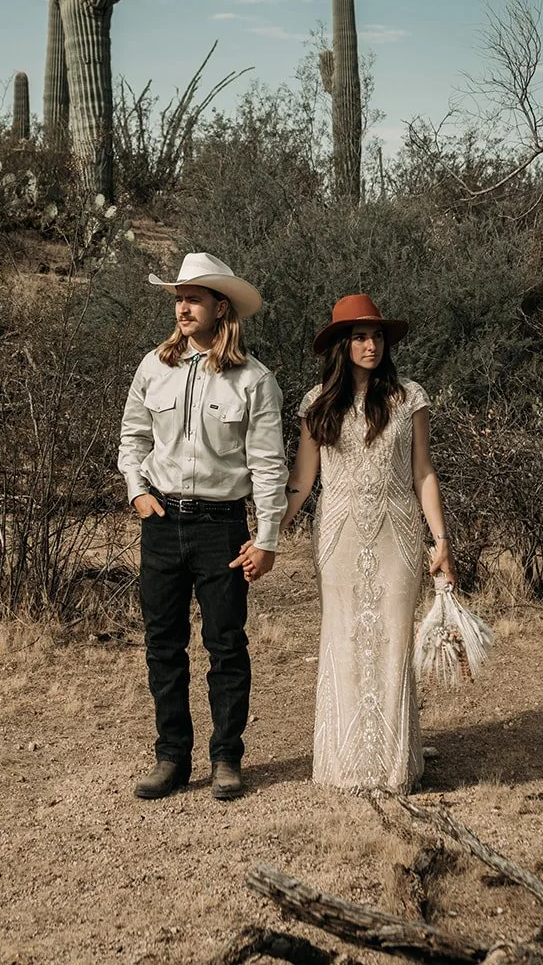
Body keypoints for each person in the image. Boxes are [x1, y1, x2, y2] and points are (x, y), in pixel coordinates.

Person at [118, 253, 288, 802]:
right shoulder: (153, 366)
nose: (183, 306)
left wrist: (265, 540)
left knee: (226, 645)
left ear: (221, 306)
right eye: (178, 297)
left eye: (193, 297)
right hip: (162, 522)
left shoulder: (255, 380)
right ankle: (171, 756)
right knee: (163, 643)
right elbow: (133, 439)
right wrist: (138, 492)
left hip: (222, 526)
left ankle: (226, 758)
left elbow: (268, 466)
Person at [280, 293, 455, 794]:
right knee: (345, 637)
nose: (371, 344)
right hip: (338, 534)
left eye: (377, 335)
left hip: (398, 533)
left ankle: (393, 763)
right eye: (359, 336)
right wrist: (269, 532)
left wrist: (440, 540)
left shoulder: (408, 398)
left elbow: (423, 471)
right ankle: (347, 762)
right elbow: (302, 479)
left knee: (392, 640)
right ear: (341, 344)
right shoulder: (318, 403)